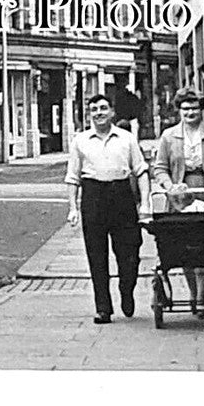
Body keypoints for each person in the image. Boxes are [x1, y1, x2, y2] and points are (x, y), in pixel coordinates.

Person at [65, 93, 151, 324]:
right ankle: (103, 307)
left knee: (130, 253)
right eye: (94, 109)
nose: (99, 113)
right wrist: (73, 207)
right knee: (96, 254)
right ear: (89, 114)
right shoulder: (80, 141)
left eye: (103, 108)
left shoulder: (126, 138)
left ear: (112, 112)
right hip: (93, 197)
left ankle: (127, 290)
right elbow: (73, 177)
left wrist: (145, 204)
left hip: (122, 195)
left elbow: (141, 170)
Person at [151, 87, 204, 318]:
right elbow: (160, 168)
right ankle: (192, 292)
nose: (190, 113)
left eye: (194, 108)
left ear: (201, 109)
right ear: (179, 111)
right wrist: (170, 186)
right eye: (185, 109)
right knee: (184, 244)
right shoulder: (169, 136)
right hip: (180, 196)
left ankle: (202, 297)